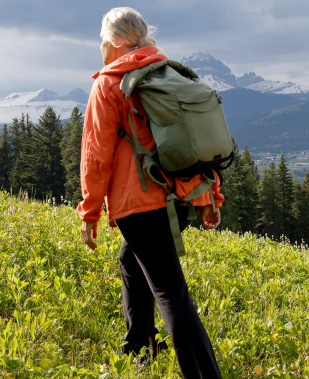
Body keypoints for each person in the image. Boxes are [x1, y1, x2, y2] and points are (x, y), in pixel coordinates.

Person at [76, 7, 223, 378]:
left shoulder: (109, 84)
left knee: (171, 292)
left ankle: (204, 374)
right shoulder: (169, 72)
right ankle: (140, 346)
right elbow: (194, 142)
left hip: (140, 203)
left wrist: (89, 212)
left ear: (111, 41)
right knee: (131, 261)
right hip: (179, 196)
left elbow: (96, 156)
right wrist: (208, 197)